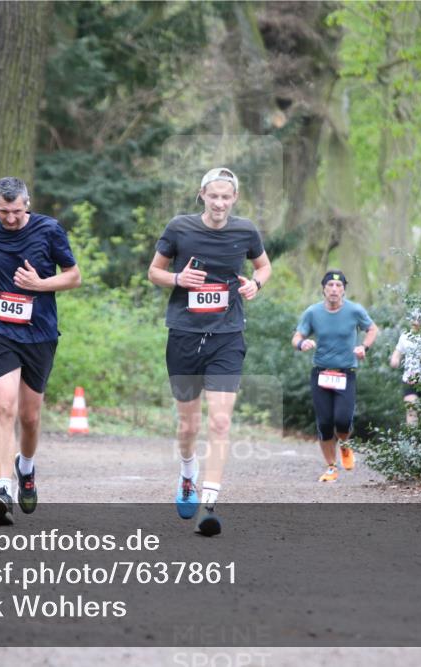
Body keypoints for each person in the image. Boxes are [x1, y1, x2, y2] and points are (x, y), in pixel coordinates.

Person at [147, 167, 272, 536]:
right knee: (189, 425)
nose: (219, 203)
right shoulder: (179, 228)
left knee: (220, 421)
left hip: (227, 335)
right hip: (185, 334)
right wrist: (177, 279)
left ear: (234, 198)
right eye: (213, 196)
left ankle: (209, 503)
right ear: (202, 194)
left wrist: (256, 285)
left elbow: (263, 266)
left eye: (226, 197)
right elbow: (154, 271)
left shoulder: (245, 230)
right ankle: (188, 475)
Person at [0, 177, 81, 525]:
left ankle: (25, 469)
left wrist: (40, 285)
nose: (11, 218)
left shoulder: (49, 230)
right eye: (4, 211)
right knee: (4, 404)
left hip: (40, 333)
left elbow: (74, 276)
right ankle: (3, 489)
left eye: (16, 211)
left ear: (27, 204)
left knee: (29, 418)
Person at [292, 271, 378, 483]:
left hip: (345, 373)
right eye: (330, 285)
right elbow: (297, 335)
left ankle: (345, 446)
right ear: (323, 288)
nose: (334, 289)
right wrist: (302, 344)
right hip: (321, 373)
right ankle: (331, 467)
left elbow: (372, 329)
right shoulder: (312, 312)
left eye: (338, 286)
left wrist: (363, 346)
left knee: (341, 420)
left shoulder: (354, 310)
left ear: (344, 290)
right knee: (324, 424)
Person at [389, 309, 421, 426]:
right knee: (411, 409)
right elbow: (397, 353)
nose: (416, 322)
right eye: (414, 319)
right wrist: (395, 360)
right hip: (410, 380)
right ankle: (412, 441)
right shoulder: (405, 336)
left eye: (419, 319)